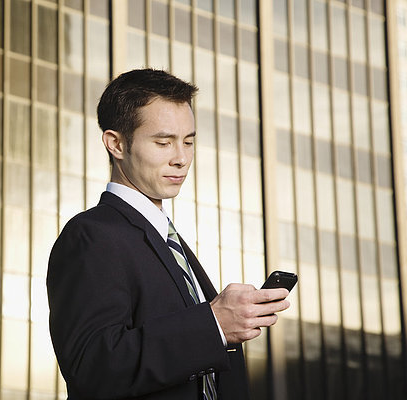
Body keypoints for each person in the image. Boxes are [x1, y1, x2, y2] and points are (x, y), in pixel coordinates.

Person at [47, 69, 290, 400]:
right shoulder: (92, 236)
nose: (181, 158)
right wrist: (214, 325)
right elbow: (93, 367)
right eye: (163, 142)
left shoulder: (172, 244)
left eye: (188, 141)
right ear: (116, 143)